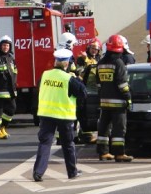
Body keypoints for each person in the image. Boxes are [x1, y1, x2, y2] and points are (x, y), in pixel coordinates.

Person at [32, 48, 87, 182]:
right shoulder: (69, 79)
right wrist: (78, 79)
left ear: (55, 61)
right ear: (67, 63)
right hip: (64, 115)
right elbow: (83, 93)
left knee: (45, 143)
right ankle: (72, 172)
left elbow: (40, 88)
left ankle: (38, 172)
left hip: (46, 114)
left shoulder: (45, 75)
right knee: (68, 144)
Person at [95, 34, 133, 162]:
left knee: (104, 128)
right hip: (118, 103)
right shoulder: (119, 63)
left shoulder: (100, 63)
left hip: (104, 102)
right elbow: (122, 84)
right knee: (119, 129)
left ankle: (103, 152)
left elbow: (98, 84)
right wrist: (128, 98)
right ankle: (119, 153)